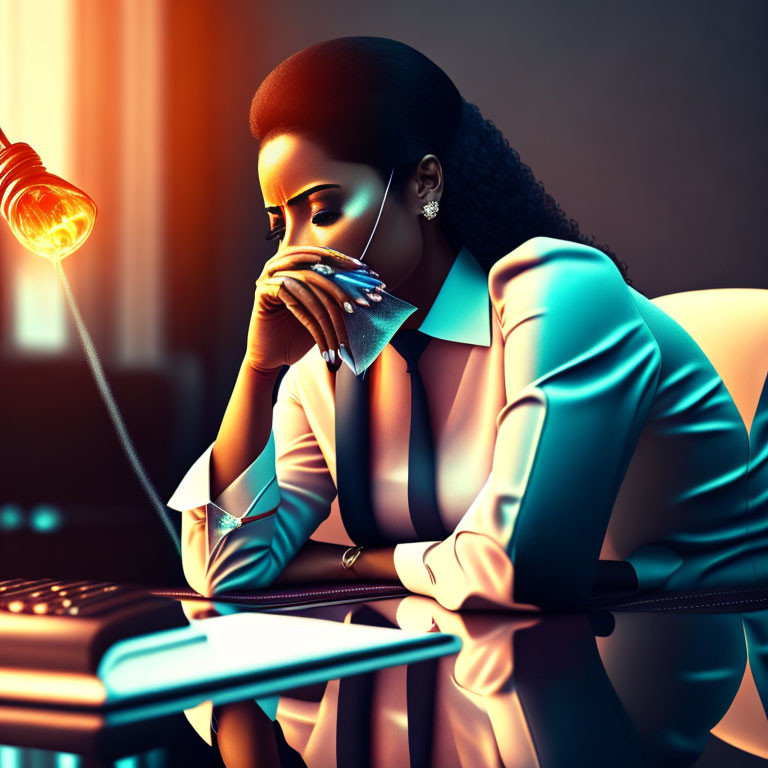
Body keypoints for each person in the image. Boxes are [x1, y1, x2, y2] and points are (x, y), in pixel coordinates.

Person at [166, 36, 767, 611]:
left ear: (424, 184)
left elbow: (517, 570)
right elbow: (228, 570)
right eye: (279, 225)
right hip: (470, 668)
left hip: (691, 658)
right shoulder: (335, 355)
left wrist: (356, 561)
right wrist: (259, 369)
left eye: (322, 211)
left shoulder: (561, 292)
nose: (289, 257)